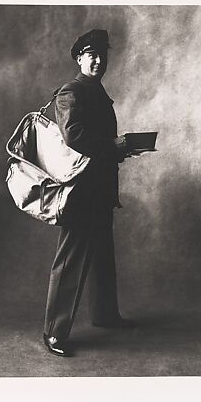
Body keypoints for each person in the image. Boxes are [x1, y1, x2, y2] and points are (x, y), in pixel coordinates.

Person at [43, 29, 135, 357]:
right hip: (81, 191)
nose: (97, 60)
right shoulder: (71, 92)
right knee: (70, 261)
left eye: (102, 56)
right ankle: (54, 333)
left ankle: (105, 315)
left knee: (101, 256)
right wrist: (112, 146)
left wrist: (121, 149)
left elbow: (96, 142)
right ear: (79, 59)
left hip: (100, 188)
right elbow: (74, 136)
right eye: (90, 55)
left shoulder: (96, 91)